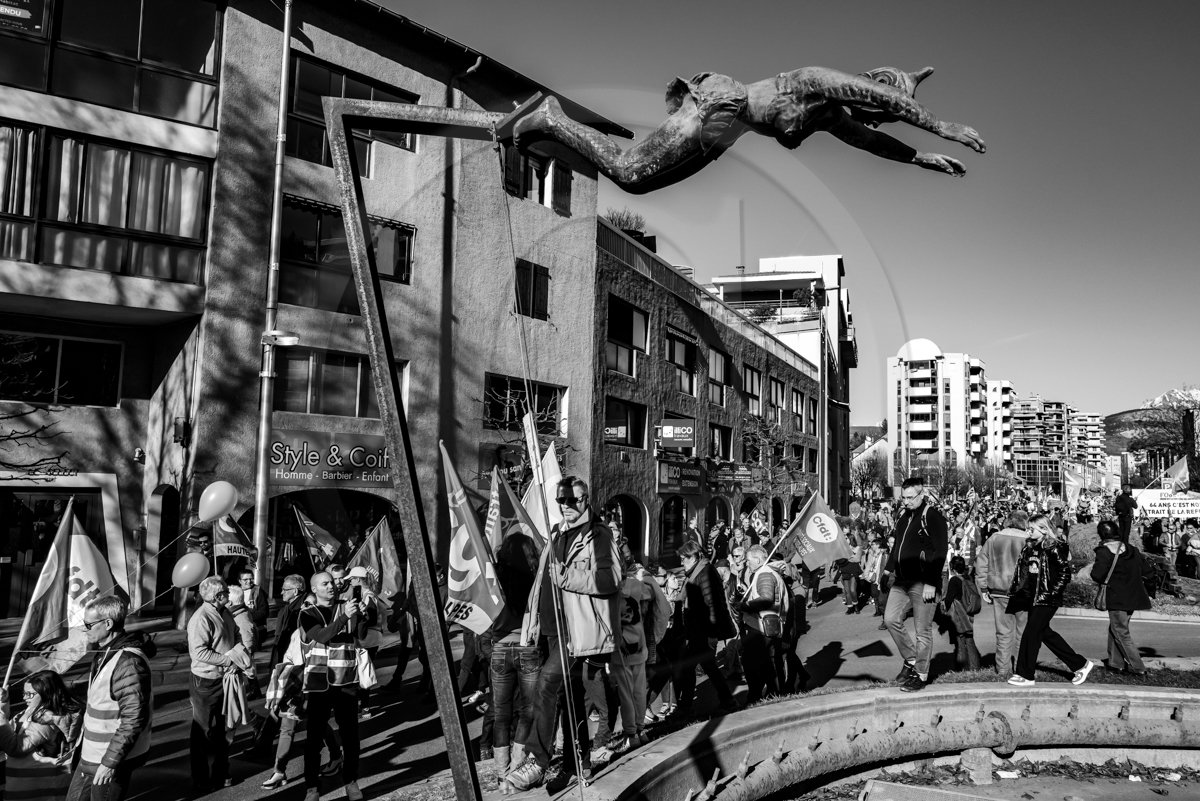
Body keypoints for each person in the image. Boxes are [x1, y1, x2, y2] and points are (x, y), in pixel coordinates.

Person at [506, 477, 621, 793]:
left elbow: (611, 578)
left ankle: (538, 762)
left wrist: (569, 576)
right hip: (550, 630)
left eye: (573, 500)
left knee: (546, 684)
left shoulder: (598, 535)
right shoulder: (556, 534)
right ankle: (578, 761)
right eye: (561, 500)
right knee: (570, 699)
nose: (566, 506)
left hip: (576, 628)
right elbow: (541, 582)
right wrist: (530, 624)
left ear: (585, 500)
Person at [67, 595, 155, 801]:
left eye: (88, 624)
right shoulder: (107, 651)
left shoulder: (128, 662)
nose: (84, 629)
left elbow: (133, 718)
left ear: (107, 623)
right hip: (92, 753)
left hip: (110, 758)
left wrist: (110, 763)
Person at [299, 572, 368, 801]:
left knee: (350, 736)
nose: (331, 586)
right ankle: (312, 788)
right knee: (314, 739)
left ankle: (350, 781)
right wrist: (343, 619)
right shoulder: (308, 613)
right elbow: (321, 636)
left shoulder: (347, 606)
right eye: (325, 583)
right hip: (319, 685)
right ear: (314, 589)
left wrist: (363, 616)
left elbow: (361, 635)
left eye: (332, 582)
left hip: (346, 681)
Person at [1007, 514, 1093, 687]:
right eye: (1028, 528)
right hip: (1033, 597)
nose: (1028, 531)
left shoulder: (1054, 547)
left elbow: (1064, 573)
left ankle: (1026, 674)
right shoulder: (1030, 546)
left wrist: (1052, 593)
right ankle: (1080, 664)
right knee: (1045, 634)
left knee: (1031, 634)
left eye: (1032, 529)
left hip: (1047, 599)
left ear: (1044, 529)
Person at [883, 477, 948, 692]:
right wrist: (887, 569)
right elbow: (897, 547)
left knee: (923, 631)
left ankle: (921, 674)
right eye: (904, 497)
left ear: (922, 495)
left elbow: (940, 551)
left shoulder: (933, 516)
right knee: (891, 619)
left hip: (923, 581)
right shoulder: (903, 517)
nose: (906, 501)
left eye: (911, 498)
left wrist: (931, 583)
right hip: (901, 580)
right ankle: (910, 659)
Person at [187, 576, 250, 790]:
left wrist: (238, 657)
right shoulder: (201, 618)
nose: (229, 594)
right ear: (217, 596)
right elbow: (199, 652)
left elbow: (237, 636)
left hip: (226, 678)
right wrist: (227, 660)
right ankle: (200, 778)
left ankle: (222, 771)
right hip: (205, 681)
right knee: (202, 732)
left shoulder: (225, 612)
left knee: (226, 728)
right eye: (225, 591)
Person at [488, 528, 541, 781]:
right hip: (528, 645)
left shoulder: (495, 579)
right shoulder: (535, 577)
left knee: (501, 714)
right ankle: (518, 766)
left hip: (499, 648)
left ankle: (501, 772)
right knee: (528, 710)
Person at [672, 541, 738, 718]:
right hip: (697, 630)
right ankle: (726, 700)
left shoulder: (705, 573)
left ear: (693, 557)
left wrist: (711, 635)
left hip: (702, 631)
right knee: (707, 667)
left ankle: (686, 706)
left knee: (689, 666)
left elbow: (712, 605)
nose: (681, 563)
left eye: (683, 559)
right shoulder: (697, 572)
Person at [0, 670, 83, 801]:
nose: (24, 698)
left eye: (30, 694)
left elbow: (15, 747)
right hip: (27, 789)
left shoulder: (46, 721)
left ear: (46, 694)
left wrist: (0, 718)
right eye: (24, 693)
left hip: (36, 793)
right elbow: (11, 730)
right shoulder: (32, 712)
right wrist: (3, 704)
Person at [1091, 520, 1154, 675]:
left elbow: (1097, 575)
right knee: (1116, 629)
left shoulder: (1104, 551)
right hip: (1133, 596)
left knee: (1120, 632)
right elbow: (1148, 572)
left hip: (1116, 596)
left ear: (1101, 535)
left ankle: (1138, 667)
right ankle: (1115, 663)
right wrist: (1151, 591)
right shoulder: (1132, 549)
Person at [974, 511, 1031, 679]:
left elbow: (981, 564)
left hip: (999, 589)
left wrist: (983, 588)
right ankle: (1021, 668)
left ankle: (1002, 668)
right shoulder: (1028, 539)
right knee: (1023, 631)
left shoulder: (994, 538)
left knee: (1003, 631)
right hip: (1023, 590)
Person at [737, 545, 788, 704]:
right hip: (766, 625)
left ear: (758, 559)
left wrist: (743, 606)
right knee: (765, 663)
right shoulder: (768, 572)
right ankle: (771, 694)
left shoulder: (764, 573)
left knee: (752, 663)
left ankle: (757, 696)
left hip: (761, 627)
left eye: (748, 560)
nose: (747, 564)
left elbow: (766, 599)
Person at [941, 556, 981, 671]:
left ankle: (961, 668)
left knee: (960, 641)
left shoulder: (954, 580)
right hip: (969, 612)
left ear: (952, 567)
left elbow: (949, 599)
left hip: (959, 614)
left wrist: (944, 610)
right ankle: (975, 667)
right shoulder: (968, 578)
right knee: (970, 640)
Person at [238, 569, 270, 644]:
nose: (249, 581)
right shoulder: (235, 592)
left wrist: (247, 616)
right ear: (240, 581)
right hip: (239, 630)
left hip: (256, 630)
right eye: (245, 579)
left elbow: (264, 612)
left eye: (251, 579)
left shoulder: (258, 591)